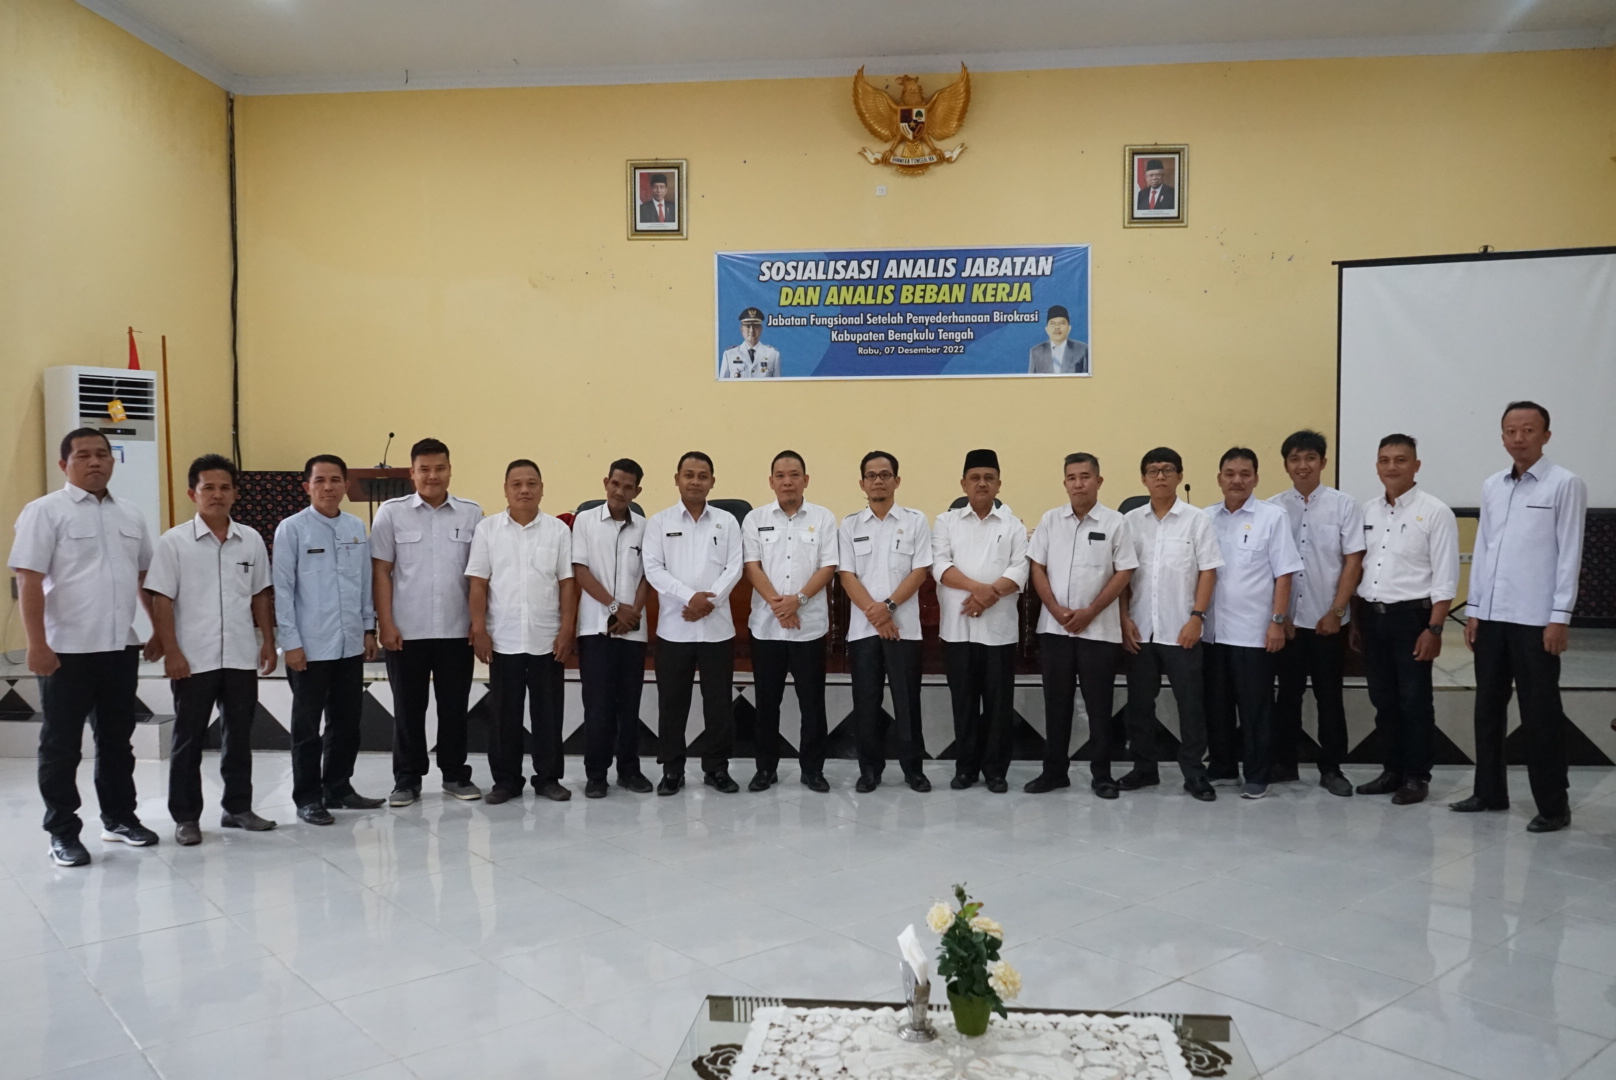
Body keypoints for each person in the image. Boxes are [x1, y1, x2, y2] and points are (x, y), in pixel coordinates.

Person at [9, 428, 159, 865]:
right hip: (65, 651)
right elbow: (29, 580)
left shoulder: (130, 513)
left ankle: (119, 818)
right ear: (64, 464)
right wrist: (37, 644)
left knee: (117, 742)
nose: (94, 462)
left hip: (118, 648)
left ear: (112, 461)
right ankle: (62, 832)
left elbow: (144, 578)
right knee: (61, 746)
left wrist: (158, 630)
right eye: (83, 455)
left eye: (102, 454)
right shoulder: (44, 512)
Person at [1455, 402, 1587, 832]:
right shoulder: (1493, 485)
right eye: (1511, 430)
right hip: (1492, 618)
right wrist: (1474, 611)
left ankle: (1553, 804)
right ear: (1502, 437)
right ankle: (1489, 792)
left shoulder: (1565, 484)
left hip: (1536, 619)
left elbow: (1570, 553)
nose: (1518, 437)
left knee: (1540, 713)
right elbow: (1485, 551)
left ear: (1545, 436)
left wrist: (1560, 616)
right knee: (1487, 708)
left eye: (1528, 430)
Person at [144, 454, 278, 845]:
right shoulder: (174, 542)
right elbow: (162, 600)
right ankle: (186, 817)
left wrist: (268, 642)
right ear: (193, 493)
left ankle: (238, 808)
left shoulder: (250, 539)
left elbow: (260, 595)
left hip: (240, 655)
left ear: (235, 493)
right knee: (188, 739)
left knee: (239, 736)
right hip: (193, 658)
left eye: (224, 488)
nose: (217, 495)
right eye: (208, 488)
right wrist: (172, 651)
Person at [370, 437, 484, 807]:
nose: (432, 476)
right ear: (412, 472)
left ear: (450, 470)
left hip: (456, 629)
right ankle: (407, 779)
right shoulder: (391, 513)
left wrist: (478, 622)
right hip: (407, 631)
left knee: (454, 707)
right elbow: (381, 572)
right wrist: (386, 623)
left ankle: (454, 774)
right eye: (424, 469)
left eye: (439, 468)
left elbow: (479, 575)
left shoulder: (472, 514)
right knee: (408, 709)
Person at [273, 454, 384, 826]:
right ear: (307, 486)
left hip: (350, 643)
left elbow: (364, 582)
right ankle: (308, 797)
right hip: (309, 646)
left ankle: (338, 787)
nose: (328, 487)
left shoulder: (355, 527)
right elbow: (283, 591)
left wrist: (368, 629)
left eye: (335, 480)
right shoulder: (292, 529)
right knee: (307, 728)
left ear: (346, 485)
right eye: (319, 480)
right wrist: (290, 643)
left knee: (347, 722)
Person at [1354, 434, 1459, 806]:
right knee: (1383, 700)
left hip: (1412, 619)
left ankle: (1417, 776)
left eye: (1400, 460)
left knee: (1414, 701)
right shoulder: (1367, 512)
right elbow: (1360, 569)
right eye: (1384, 460)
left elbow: (1446, 578)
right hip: (1373, 617)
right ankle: (1392, 770)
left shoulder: (1435, 512)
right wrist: (1356, 623)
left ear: (1416, 465)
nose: (1392, 467)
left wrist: (1434, 628)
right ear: (1377, 466)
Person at [466, 459, 577, 804]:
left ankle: (548, 778)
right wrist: (479, 629)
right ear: (505, 490)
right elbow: (478, 584)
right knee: (504, 715)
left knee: (548, 713)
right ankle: (506, 781)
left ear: (542, 489)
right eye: (517, 484)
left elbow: (567, 584)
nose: (524, 490)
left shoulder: (558, 531)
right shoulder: (488, 530)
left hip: (547, 637)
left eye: (531, 483)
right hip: (503, 638)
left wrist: (567, 629)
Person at [1026, 453, 1136, 797]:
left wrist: (1091, 611)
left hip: (1099, 631)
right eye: (1072, 478)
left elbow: (1125, 571)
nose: (1078, 484)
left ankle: (1102, 775)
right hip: (1055, 629)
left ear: (1098, 481)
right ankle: (1054, 772)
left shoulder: (1116, 522)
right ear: (1065, 483)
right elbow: (1037, 567)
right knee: (1056, 704)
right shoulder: (1050, 520)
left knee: (1099, 707)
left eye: (1085, 477)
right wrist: (1055, 609)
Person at [1119, 448, 1224, 801]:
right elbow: (1122, 575)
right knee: (1139, 704)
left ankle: (1194, 772)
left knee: (1191, 705)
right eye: (1153, 470)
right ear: (1143, 478)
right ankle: (1144, 768)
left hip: (1183, 629)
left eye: (1167, 470)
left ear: (1180, 475)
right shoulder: (1130, 521)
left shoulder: (1196, 520)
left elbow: (1208, 570)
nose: (1160, 476)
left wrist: (1197, 617)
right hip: (1140, 629)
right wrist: (1123, 619)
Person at [1268, 430, 1365, 797]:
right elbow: (1270, 568)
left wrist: (1337, 611)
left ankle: (1332, 768)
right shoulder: (1273, 508)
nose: (1303, 465)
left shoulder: (1344, 506)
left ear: (1323, 462)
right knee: (1287, 697)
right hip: (1289, 624)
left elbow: (1353, 561)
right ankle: (1284, 764)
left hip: (1328, 622)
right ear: (1286, 465)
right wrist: (1280, 617)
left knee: (1330, 697)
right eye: (1295, 459)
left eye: (1310, 458)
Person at [1202, 448, 1303, 800]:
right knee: (1217, 705)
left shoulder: (1272, 517)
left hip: (1253, 632)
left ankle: (1258, 774)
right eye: (1230, 473)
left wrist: (1277, 621)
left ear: (1256, 478)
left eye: (1245, 474)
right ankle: (1223, 767)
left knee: (1255, 708)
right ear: (1219, 478)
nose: (1237, 480)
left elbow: (1284, 574)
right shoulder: (1205, 518)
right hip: (1213, 632)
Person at [643, 451, 744, 794]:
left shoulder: (728, 522)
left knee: (718, 704)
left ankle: (717, 768)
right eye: (689, 475)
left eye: (703, 476)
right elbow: (653, 569)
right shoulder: (659, 522)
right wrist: (690, 598)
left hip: (717, 629)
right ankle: (672, 770)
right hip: (675, 628)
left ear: (712, 482)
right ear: (677, 479)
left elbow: (735, 567)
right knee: (672, 704)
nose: (695, 481)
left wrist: (707, 602)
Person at [742, 451, 839, 792]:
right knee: (767, 703)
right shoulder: (754, 519)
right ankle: (765, 769)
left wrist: (797, 601)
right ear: (771, 481)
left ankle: (812, 770)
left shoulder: (824, 518)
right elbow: (752, 566)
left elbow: (828, 567)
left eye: (794, 475)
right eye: (780, 476)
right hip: (766, 627)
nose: (787, 482)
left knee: (812, 704)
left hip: (808, 627)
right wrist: (779, 606)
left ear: (805, 480)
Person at [933, 449, 1029, 793]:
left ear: (999, 484)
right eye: (975, 478)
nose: (982, 483)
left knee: (999, 705)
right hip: (957, 630)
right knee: (963, 703)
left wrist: (989, 595)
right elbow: (940, 566)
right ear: (963, 484)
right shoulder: (946, 522)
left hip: (998, 630)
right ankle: (966, 769)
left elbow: (1020, 569)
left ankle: (996, 771)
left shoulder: (1013, 525)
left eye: (989, 478)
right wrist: (981, 591)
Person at [837, 451, 934, 793]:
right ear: (862, 483)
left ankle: (913, 770)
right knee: (866, 702)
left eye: (885, 474)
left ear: (897, 480)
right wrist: (877, 615)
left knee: (907, 702)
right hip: (864, 630)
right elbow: (846, 575)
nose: (878, 480)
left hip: (904, 629)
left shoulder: (916, 521)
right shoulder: (849, 525)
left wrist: (889, 607)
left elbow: (920, 571)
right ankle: (869, 770)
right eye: (871, 475)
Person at [572, 459, 655, 798]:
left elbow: (648, 575)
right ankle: (596, 774)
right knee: (598, 706)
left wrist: (632, 613)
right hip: (595, 629)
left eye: (628, 486)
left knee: (629, 705)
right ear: (606, 482)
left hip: (633, 631)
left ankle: (629, 770)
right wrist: (614, 607)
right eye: (615, 484)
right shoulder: (585, 521)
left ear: (637, 491)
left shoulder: (646, 527)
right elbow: (581, 570)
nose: (620, 491)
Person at [1027, 305, 1090, 375]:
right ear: (1047, 329)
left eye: (1062, 323)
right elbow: (1032, 379)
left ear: (1069, 328)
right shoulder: (1036, 352)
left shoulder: (1082, 349)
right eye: (1053, 323)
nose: (1057, 327)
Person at [720, 308, 781, 379]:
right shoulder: (729, 355)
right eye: (748, 326)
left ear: (761, 329)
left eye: (755, 326)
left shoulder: (773, 355)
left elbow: (777, 384)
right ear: (741, 329)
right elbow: (722, 384)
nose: (752, 330)